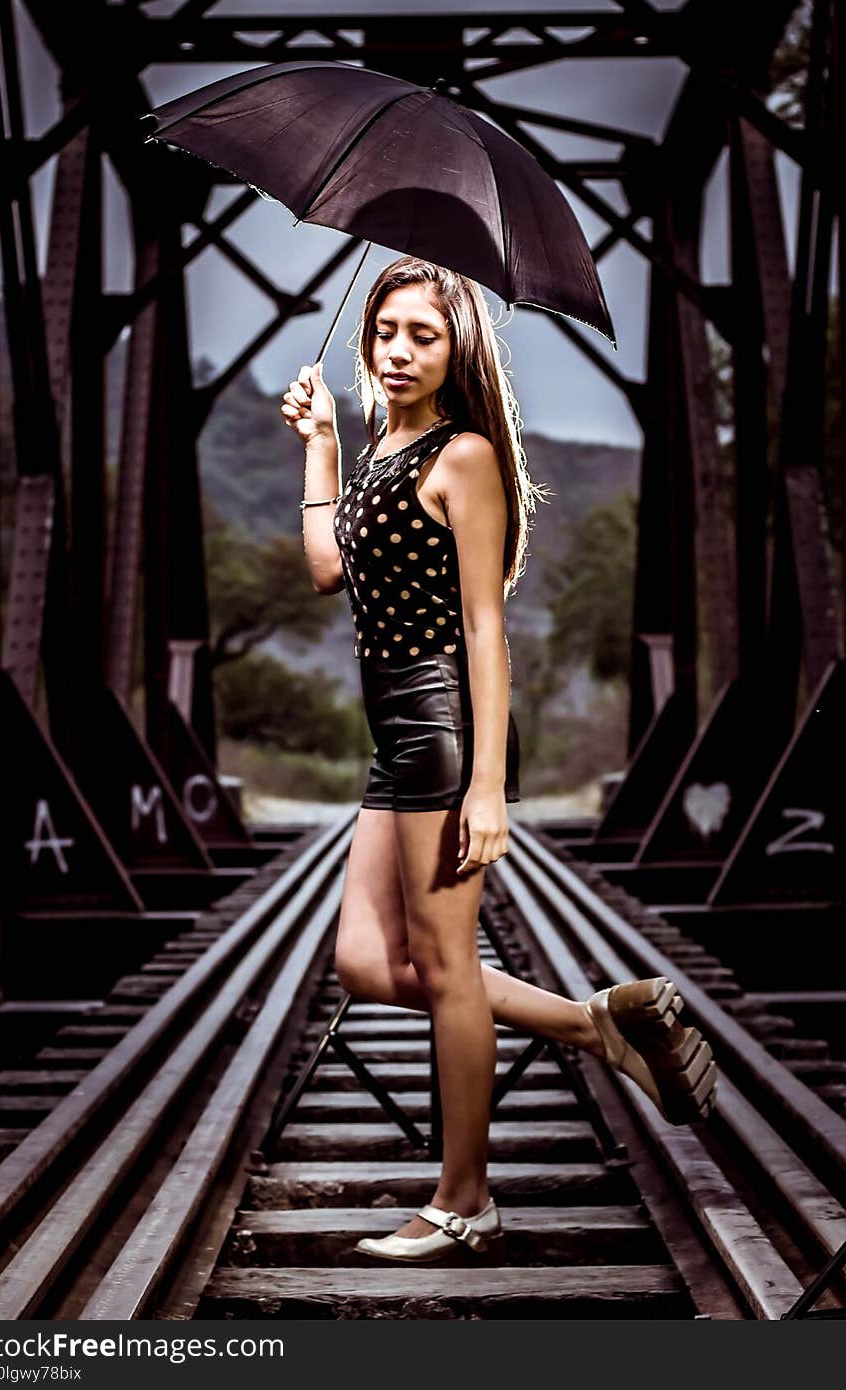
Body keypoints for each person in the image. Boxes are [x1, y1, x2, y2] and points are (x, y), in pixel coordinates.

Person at [280, 255, 717, 1264]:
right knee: (364, 960)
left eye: (421, 336)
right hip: (392, 737)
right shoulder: (381, 444)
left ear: (455, 348)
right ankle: (596, 1026)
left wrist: (487, 785)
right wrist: (317, 446)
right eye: (386, 331)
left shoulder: (463, 454)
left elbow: (484, 626)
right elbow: (322, 569)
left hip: (442, 729)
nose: (397, 350)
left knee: (443, 968)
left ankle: (464, 1197)